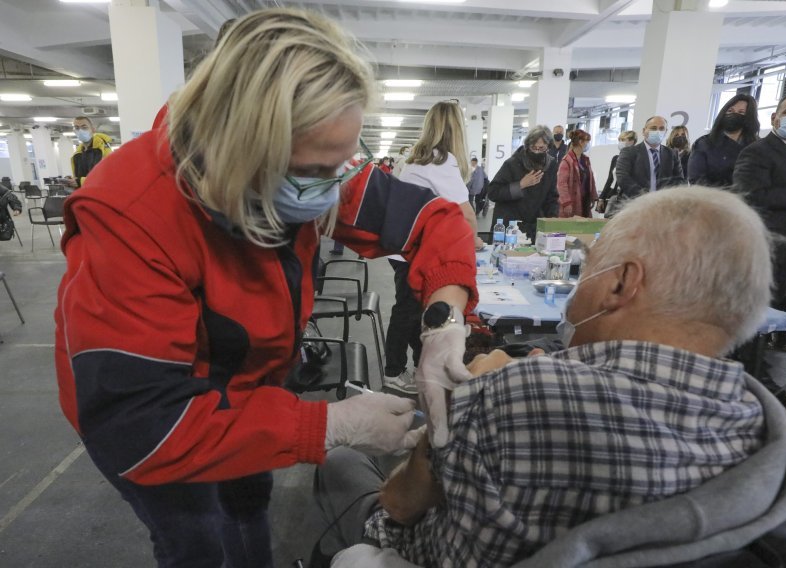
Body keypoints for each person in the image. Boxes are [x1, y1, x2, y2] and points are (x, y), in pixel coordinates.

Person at [54, 10, 478, 568]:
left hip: (250, 385)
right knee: (199, 535)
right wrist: (329, 424)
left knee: (249, 504)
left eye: (340, 168)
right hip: (162, 411)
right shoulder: (131, 218)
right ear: (244, 153)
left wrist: (443, 324)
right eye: (314, 171)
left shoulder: (309, 168)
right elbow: (142, 426)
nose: (332, 189)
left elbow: (436, 221)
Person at [314, 186, 786, 568]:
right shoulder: (764, 426)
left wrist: (465, 407)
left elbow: (398, 507)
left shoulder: (512, 393)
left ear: (620, 283)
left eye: (587, 265)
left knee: (339, 463)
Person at [383, 100, 482, 396]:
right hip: (410, 250)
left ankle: (413, 366)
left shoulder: (418, 158)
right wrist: (473, 244)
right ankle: (394, 371)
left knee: (412, 310)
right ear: (455, 130)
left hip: (404, 247)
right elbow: (466, 212)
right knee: (408, 311)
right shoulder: (440, 160)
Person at [733, 90, 786, 353]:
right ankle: (757, 355)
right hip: (774, 240)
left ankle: (783, 331)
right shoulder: (757, 152)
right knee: (770, 297)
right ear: (775, 117)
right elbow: (751, 195)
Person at [487, 125, 559, 240]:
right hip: (509, 226)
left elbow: (552, 197)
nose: (536, 151)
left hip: (534, 227)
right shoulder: (512, 163)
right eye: (533, 148)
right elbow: (493, 192)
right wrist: (520, 185)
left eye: (541, 148)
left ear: (548, 147)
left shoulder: (551, 165)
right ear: (527, 146)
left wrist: (552, 219)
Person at [688, 94, 760, 187]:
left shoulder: (756, 146)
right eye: (730, 110)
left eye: (741, 112)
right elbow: (696, 179)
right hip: (709, 198)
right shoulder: (703, 143)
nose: (734, 114)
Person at [615, 115, 684, 199]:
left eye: (662, 128)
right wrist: (645, 197)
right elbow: (623, 177)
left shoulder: (672, 154)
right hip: (635, 203)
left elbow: (679, 180)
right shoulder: (629, 152)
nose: (658, 131)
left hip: (664, 204)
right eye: (653, 128)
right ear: (644, 131)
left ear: (666, 131)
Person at [557, 129, 597, 217]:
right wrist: (566, 202)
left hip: (585, 201)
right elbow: (561, 184)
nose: (588, 144)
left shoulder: (585, 160)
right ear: (580, 142)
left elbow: (591, 179)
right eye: (587, 141)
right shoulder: (567, 161)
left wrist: (593, 196)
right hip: (572, 202)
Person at [595, 130, 637, 215]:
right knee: (608, 217)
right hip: (614, 194)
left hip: (628, 197)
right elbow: (610, 179)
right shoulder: (616, 158)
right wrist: (601, 198)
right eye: (620, 140)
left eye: (623, 140)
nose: (620, 142)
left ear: (632, 141)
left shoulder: (636, 158)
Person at [66, 115, 112, 188]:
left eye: (84, 127)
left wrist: (80, 182)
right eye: (77, 128)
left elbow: (107, 178)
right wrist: (71, 181)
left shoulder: (104, 151)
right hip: (84, 195)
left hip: (101, 195)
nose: (80, 131)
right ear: (74, 131)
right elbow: (79, 178)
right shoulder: (77, 155)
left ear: (93, 130)